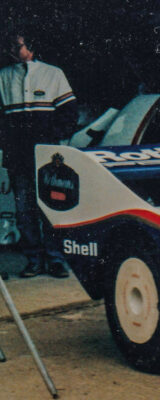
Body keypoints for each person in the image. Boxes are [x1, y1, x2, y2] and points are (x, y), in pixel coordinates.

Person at [0, 32, 75, 278]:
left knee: (51, 207)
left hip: (48, 158)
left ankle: (55, 259)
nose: (12, 48)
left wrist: (53, 141)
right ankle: (33, 259)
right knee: (25, 210)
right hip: (19, 157)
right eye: (10, 45)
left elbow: (68, 115)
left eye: (17, 44)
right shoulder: (3, 77)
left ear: (31, 46)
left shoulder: (53, 74)